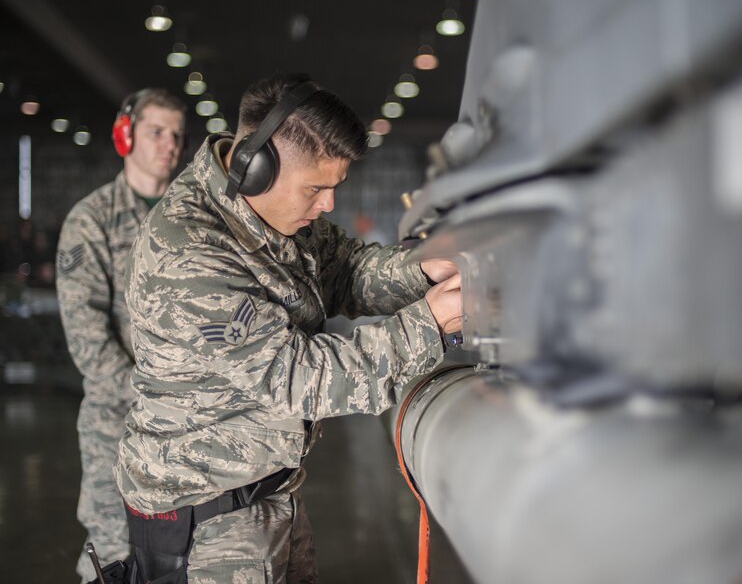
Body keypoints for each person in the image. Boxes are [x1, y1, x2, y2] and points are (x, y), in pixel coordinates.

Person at [113, 72, 461, 583]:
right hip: (206, 522)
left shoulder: (277, 216)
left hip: (266, 494)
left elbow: (346, 270)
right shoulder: (189, 250)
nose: (328, 205)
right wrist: (430, 324)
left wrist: (425, 268)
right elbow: (297, 377)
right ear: (257, 168)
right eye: (316, 188)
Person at [55, 88, 187, 582]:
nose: (168, 144)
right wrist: (150, 399)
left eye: (176, 135)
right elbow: (86, 335)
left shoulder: (192, 218)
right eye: (156, 131)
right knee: (114, 553)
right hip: (119, 424)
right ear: (125, 135)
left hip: (191, 424)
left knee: (184, 554)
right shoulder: (91, 221)